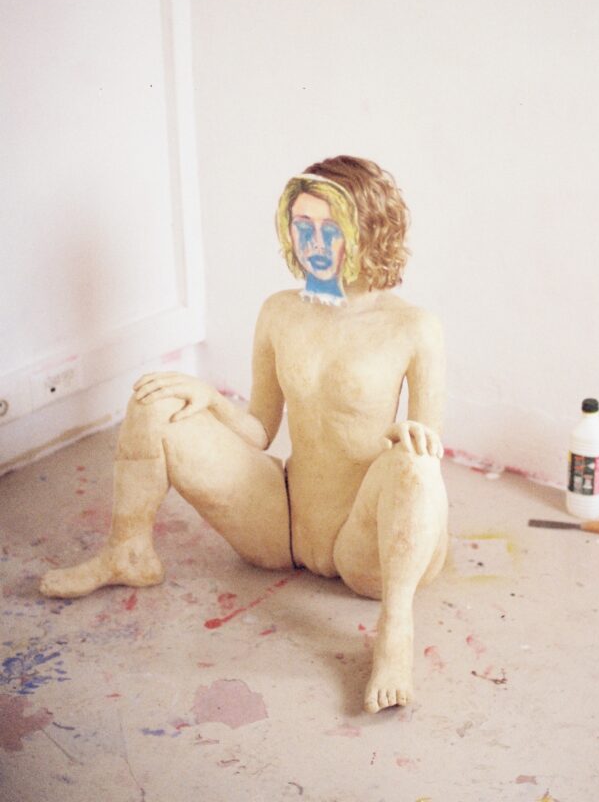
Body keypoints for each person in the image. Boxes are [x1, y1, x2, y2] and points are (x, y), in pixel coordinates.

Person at [40, 156, 449, 714]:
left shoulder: (414, 327)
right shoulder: (279, 311)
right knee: (156, 401)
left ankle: (395, 633)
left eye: (331, 228)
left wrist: (408, 439)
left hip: (369, 542)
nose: (314, 242)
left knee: (415, 463)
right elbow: (260, 430)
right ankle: (127, 552)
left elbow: (428, 451)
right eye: (303, 225)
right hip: (290, 524)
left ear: (369, 230)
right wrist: (209, 397)